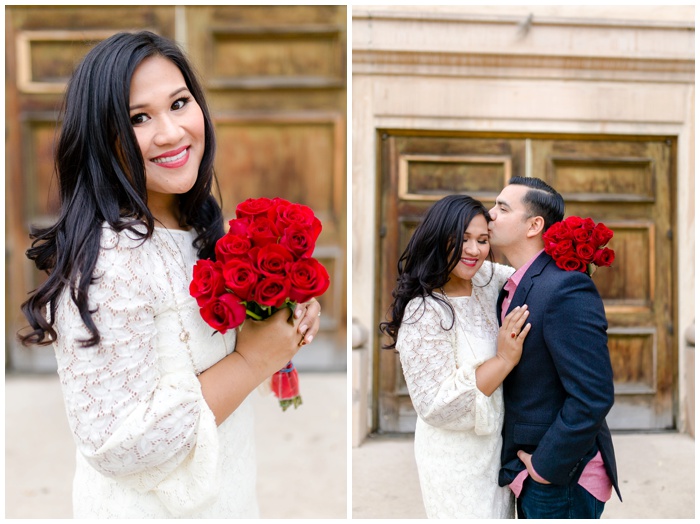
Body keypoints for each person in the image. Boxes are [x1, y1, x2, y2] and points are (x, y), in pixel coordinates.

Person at [18, 31, 321, 518]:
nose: (171, 133)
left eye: (180, 103)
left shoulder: (197, 228)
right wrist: (250, 361)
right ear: (102, 136)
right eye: (139, 117)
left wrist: (280, 317)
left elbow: (203, 357)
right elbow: (116, 444)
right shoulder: (107, 260)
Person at [380, 194, 532, 519]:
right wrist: (503, 361)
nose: (474, 250)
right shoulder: (423, 311)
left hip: (496, 451)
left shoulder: (487, 280)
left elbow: (534, 274)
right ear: (439, 238)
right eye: (462, 239)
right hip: (453, 460)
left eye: (482, 240)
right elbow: (436, 405)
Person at [488, 176, 621, 519]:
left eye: (502, 208)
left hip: (561, 479)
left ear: (534, 225)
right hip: (530, 473)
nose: (490, 214)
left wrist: (545, 467)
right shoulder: (513, 285)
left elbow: (594, 393)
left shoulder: (566, 288)